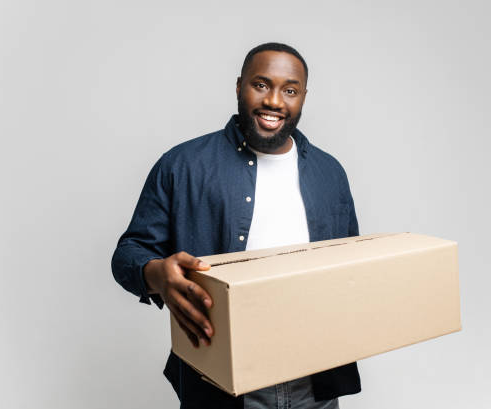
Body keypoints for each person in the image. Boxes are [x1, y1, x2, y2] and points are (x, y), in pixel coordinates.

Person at [112, 42, 361, 409]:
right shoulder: (182, 165)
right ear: (239, 86)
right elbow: (127, 254)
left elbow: (354, 264)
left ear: (303, 97)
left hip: (316, 381)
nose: (275, 101)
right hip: (221, 382)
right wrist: (157, 274)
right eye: (261, 84)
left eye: (290, 90)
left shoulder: (330, 173)